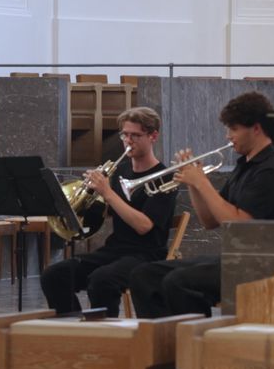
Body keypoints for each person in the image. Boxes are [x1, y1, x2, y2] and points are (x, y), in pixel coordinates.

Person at [128, 92, 274, 319]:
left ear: (256, 128)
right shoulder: (244, 164)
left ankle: (195, 342)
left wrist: (202, 181)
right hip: (235, 257)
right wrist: (193, 183)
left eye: (234, 129)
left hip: (262, 263)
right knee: (144, 275)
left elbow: (239, 224)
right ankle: (163, 344)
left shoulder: (273, 168)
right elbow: (209, 221)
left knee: (178, 283)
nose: (228, 137)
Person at [40, 107, 178, 317]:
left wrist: (107, 192)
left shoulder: (165, 177)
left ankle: (106, 338)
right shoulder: (120, 171)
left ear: (153, 136)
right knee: (54, 275)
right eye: (125, 135)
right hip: (115, 250)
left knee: (102, 281)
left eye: (135, 135)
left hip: (147, 254)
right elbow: (107, 215)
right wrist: (84, 199)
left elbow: (144, 226)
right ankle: (73, 332)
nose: (128, 141)